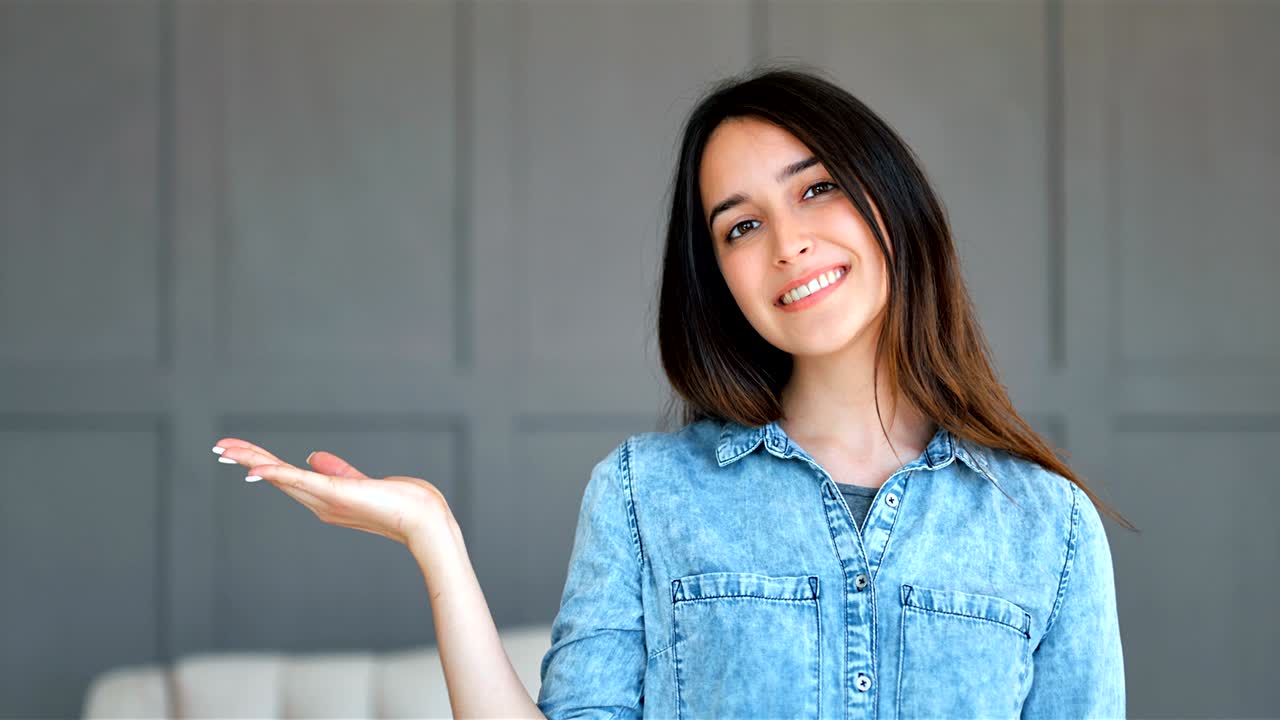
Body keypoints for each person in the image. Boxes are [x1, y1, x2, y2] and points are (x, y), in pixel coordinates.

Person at [211, 63, 1135, 719]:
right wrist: (432, 537)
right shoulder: (645, 495)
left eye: (816, 190)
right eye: (740, 227)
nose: (787, 243)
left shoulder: (1049, 529)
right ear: (717, 278)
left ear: (893, 200)